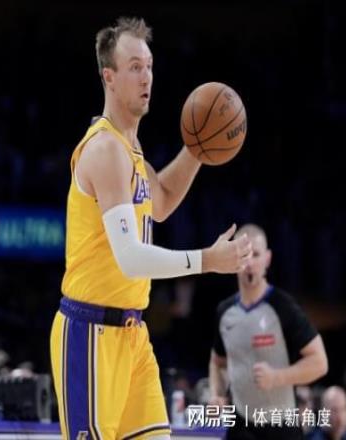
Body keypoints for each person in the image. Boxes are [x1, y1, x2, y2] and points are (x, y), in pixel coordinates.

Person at [50, 17, 253, 440]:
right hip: (90, 335)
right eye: (134, 67)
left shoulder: (131, 149)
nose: (146, 77)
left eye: (149, 66)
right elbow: (130, 258)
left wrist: (197, 150)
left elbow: (159, 203)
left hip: (132, 334)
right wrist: (207, 260)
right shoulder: (105, 149)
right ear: (108, 77)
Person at [208, 223, 328, 440]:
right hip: (241, 426)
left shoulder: (283, 307)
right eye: (244, 255)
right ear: (234, 260)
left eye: (256, 255)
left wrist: (277, 377)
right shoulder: (225, 312)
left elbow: (320, 363)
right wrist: (216, 394)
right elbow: (218, 362)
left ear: (268, 258)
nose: (250, 263)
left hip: (280, 425)